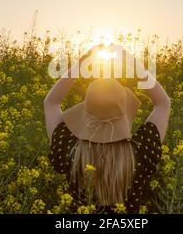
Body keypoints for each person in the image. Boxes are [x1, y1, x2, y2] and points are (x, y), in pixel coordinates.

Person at [44, 45, 171, 213]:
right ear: (124, 110)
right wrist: (132, 63)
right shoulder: (141, 153)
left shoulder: (68, 152)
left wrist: (81, 64)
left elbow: (51, 103)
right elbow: (163, 103)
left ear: (85, 113)